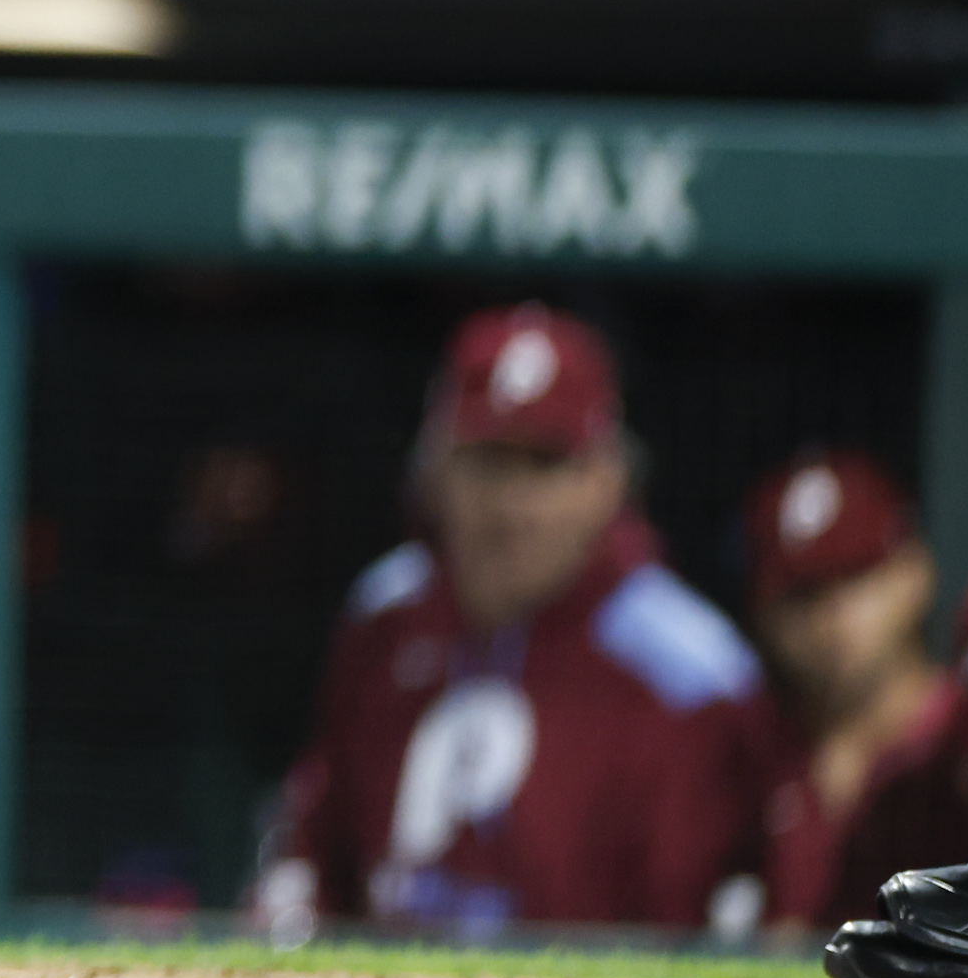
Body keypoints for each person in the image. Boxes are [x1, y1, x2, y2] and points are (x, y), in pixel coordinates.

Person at [257, 306, 768, 935]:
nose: (513, 503)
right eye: (489, 460)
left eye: (546, 464)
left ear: (608, 480)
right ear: (433, 469)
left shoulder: (687, 672)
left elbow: (695, 933)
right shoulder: (384, 616)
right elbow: (313, 847)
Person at [745, 450, 968, 932]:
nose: (830, 618)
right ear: (764, 615)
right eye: (803, 594)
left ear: (914, 572)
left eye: (855, 577)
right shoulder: (753, 754)